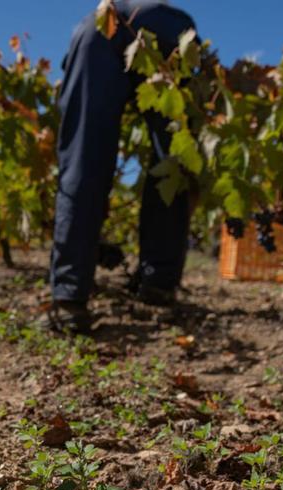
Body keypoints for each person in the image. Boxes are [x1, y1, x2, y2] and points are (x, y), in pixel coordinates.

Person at [44, 0, 198, 332]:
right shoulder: (168, 13)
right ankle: (158, 285)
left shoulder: (96, 21)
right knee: (174, 159)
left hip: (100, 27)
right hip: (174, 30)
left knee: (82, 157)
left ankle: (69, 299)